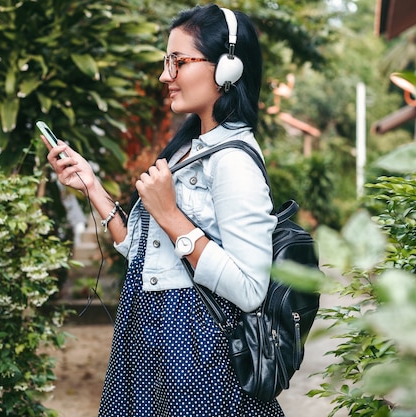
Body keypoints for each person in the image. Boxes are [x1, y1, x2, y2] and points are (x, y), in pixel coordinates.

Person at [42, 4, 282, 416]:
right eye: (165, 61)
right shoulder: (191, 147)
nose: (165, 75)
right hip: (154, 336)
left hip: (198, 358)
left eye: (178, 61)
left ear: (227, 69)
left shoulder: (233, 162)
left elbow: (250, 288)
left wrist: (171, 216)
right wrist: (91, 186)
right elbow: (145, 254)